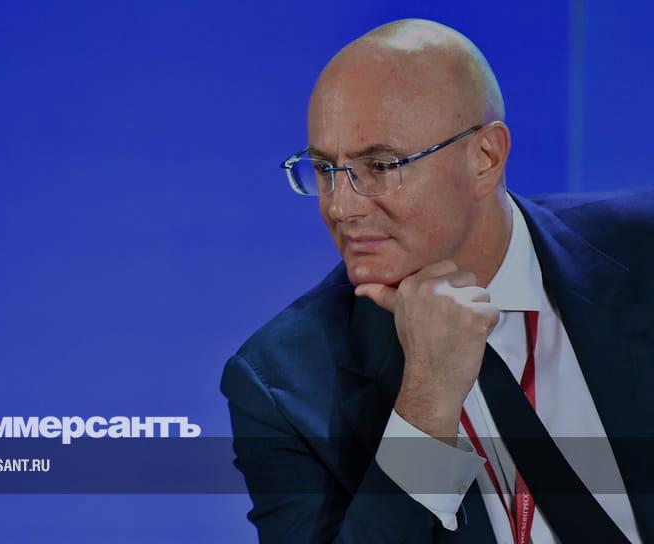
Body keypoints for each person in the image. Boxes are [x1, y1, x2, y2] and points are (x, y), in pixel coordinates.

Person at [220, 18, 653, 543]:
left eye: (380, 166)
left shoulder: (642, 254)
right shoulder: (285, 381)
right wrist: (425, 404)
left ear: (485, 158)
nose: (340, 207)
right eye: (325, 169)